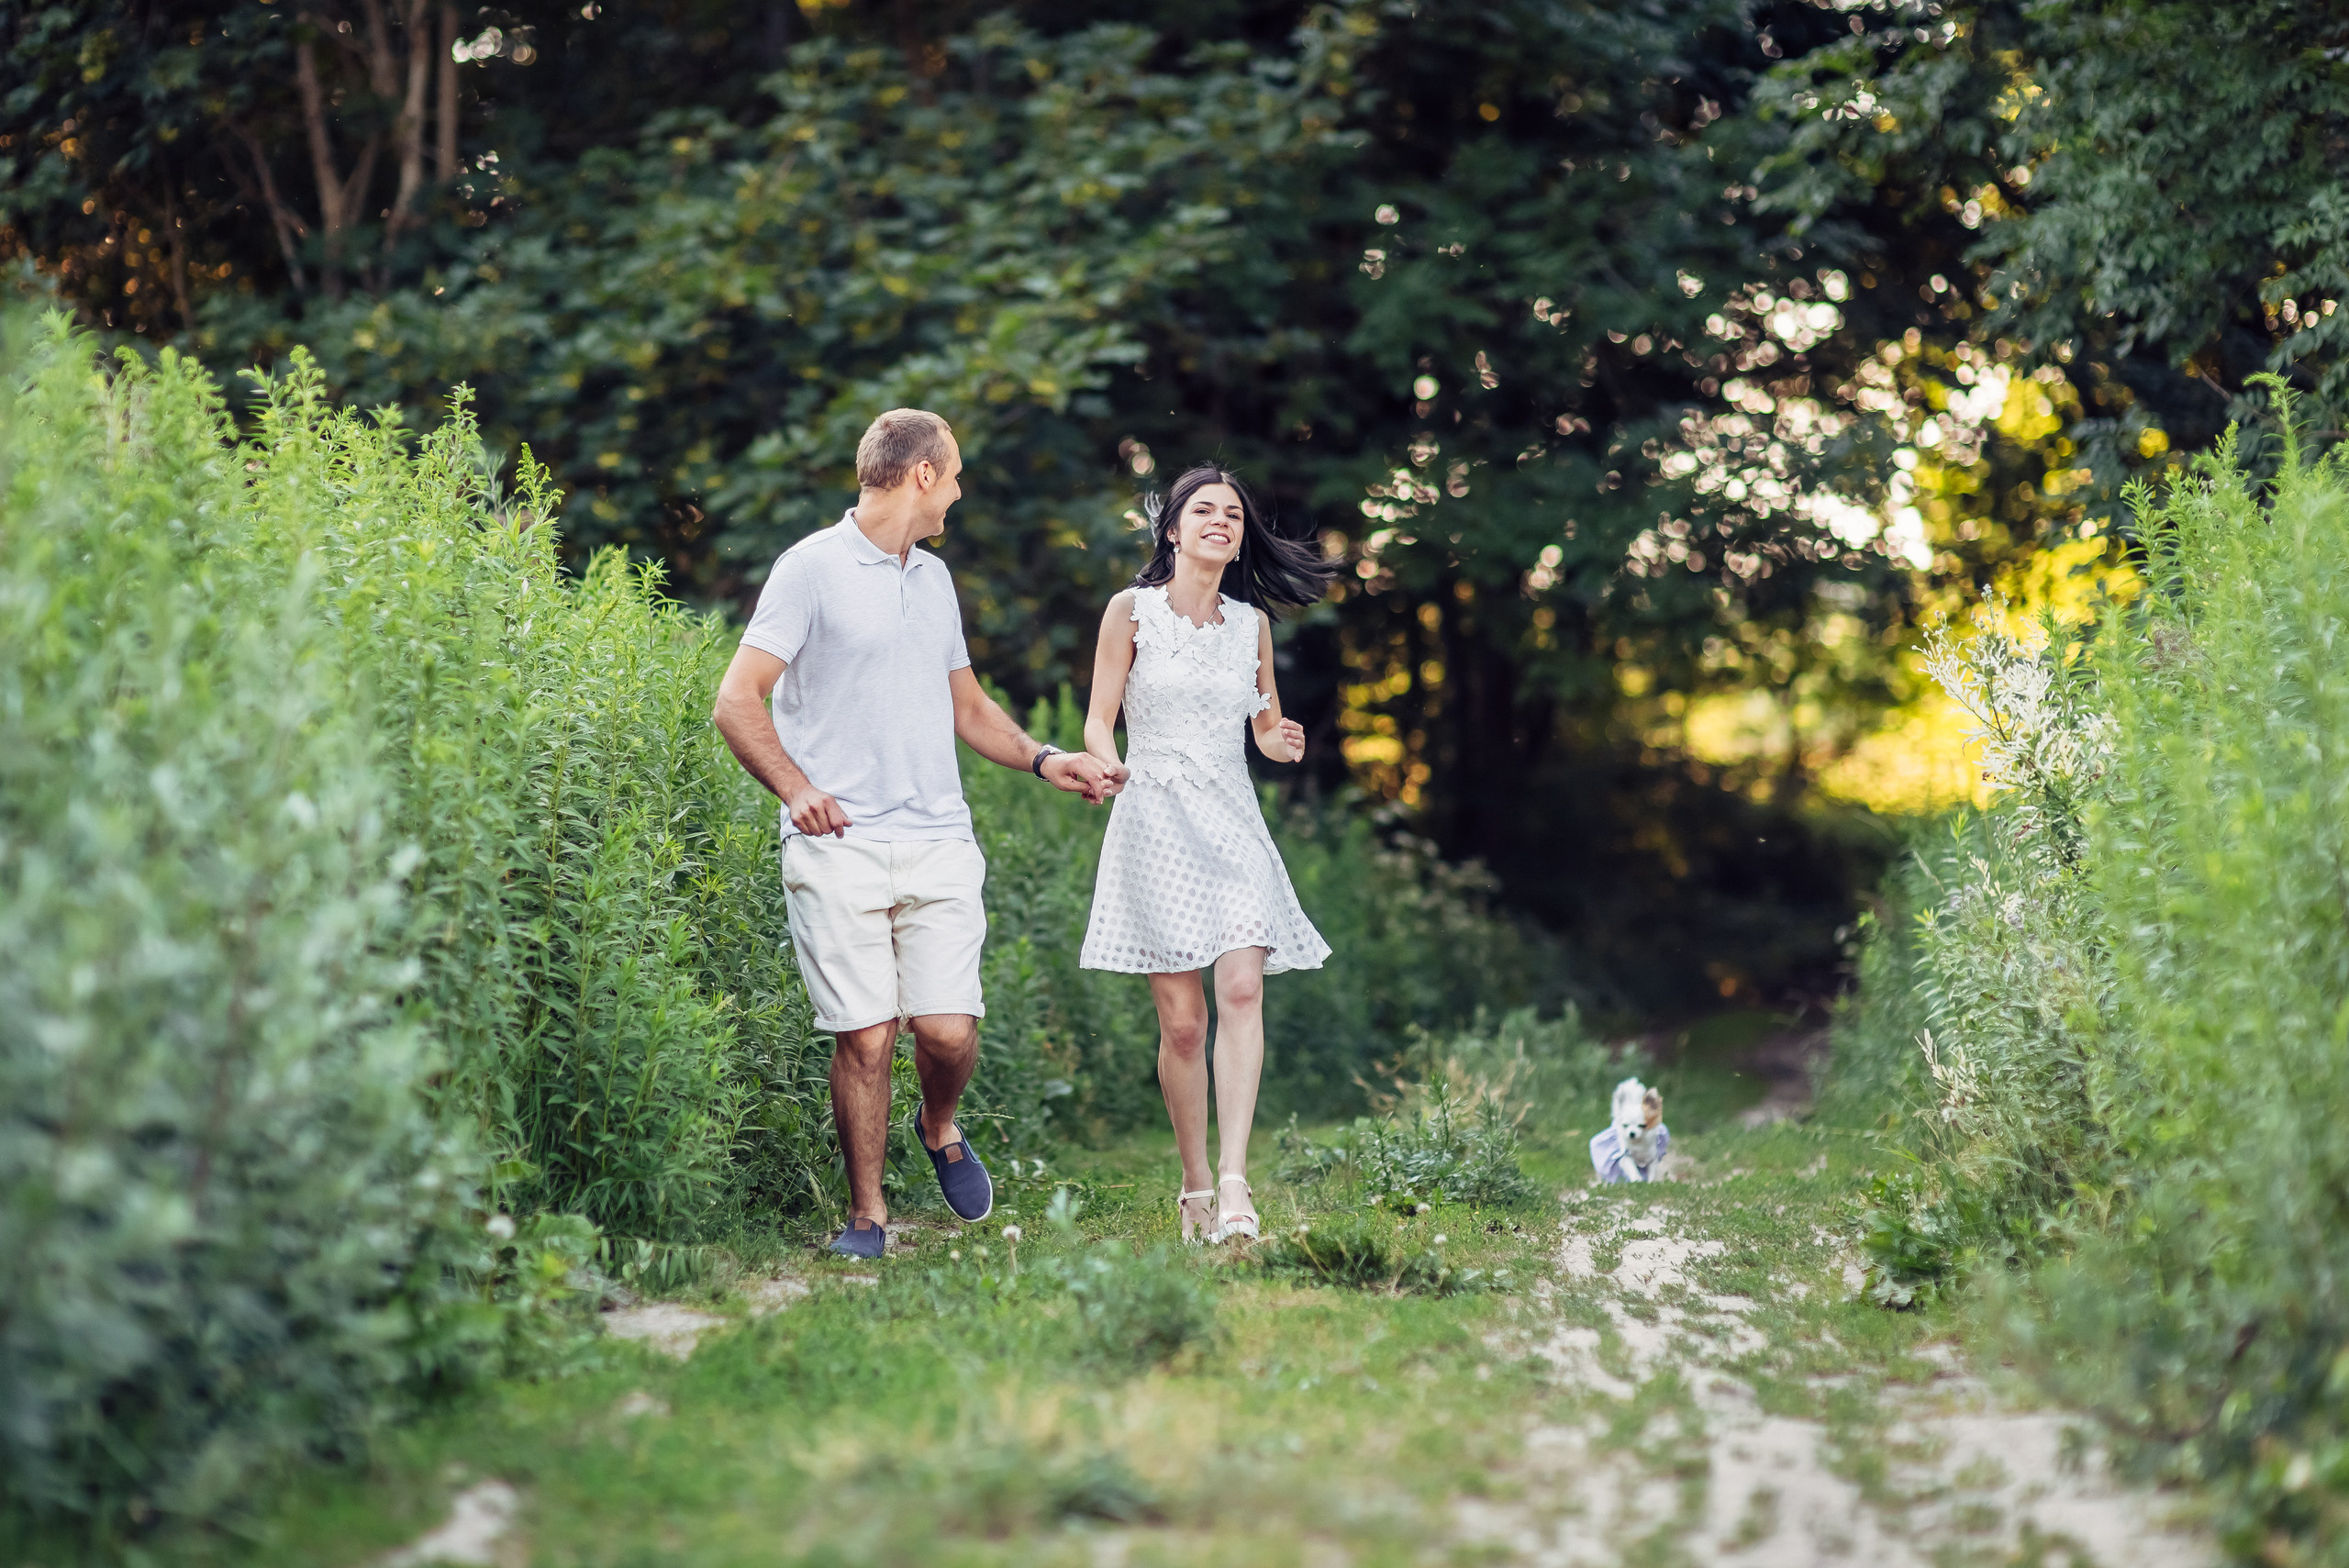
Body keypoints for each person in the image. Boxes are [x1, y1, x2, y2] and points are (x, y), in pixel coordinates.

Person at [711, 408, 1123, 1258]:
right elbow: (735, 697)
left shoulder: (933, 580)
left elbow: (967, 707)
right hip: (840, 843)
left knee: (945, 1030)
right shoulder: (810, 569)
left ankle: (940, 1125)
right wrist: (795, 789)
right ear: (922, 474)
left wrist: (1048, 760)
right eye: (958, 473)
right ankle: (868, 1216)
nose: (961, 491)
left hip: (938, 836)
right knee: (865, 1035)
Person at [1078, 466, 1337, 1243]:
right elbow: (1100, 720)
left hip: (1232, 820)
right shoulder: (1130, 612)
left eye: (1232, 514)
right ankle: (1193, 1182)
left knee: (1243, 990)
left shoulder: (1251, 624)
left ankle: (1233, 1184)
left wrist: (1279, 740)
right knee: (1184, 1024)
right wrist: (1107, 765)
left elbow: (1263, 725)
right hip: (1152, 814)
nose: (1220, 522)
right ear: (1173, 530)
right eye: (1204, 511)